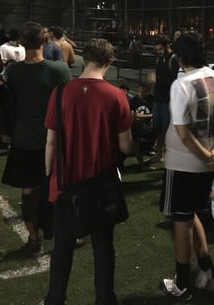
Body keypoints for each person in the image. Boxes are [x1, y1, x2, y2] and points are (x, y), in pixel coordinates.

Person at [43, 38, 132, 305]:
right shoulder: (116, 95)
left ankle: (55, 299)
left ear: (84, 58)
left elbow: (50, 141)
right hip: (100, 185)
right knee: (103, 246)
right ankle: (105, 299)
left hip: (65, 183)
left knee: (62, 248)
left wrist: (50, 178)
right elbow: (125, 146)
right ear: (108, 62)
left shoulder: (60, 93)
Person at [160, 32, 214, 300]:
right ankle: (206, 269)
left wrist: (208, 155)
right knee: (191, 214)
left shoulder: (181, 85)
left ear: (181, 57)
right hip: (207, 164)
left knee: (181, 219)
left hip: (184, 163)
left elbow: (183, 133)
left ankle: (182, 283)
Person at [2, 22, 71, 255]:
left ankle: (33, 238)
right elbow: (69, 106)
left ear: (20, 43)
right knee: (58, 190)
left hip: (23, 138)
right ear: (45, 40)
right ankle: (62, 235)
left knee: (28, 193)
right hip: (53, 138)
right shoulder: (58, 70)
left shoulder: (13, 71)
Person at [152, 34, 180, 161]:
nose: (159, 52)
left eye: (160, 49)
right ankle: (159, 153)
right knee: (157, 129)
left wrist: (157, 79)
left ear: (167, 46)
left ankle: (168, 153)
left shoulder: (174, 60)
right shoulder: (159, 59)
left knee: (167, 128)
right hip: (157, 98)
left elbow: (174, 81)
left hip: (167, 100)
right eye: (157, 50)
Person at [129, 83, 154, 170]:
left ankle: (145, 153)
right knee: (135, 136)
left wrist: (142, 116)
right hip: (136, 125)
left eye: (145, 92)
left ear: (148, 92)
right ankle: (141, 163)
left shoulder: (152, 99)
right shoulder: (133, 100)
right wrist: (133, 116)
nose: (142, 94)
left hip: (149, 126)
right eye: (141, 92)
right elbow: (130, 113)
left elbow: (155, 114)